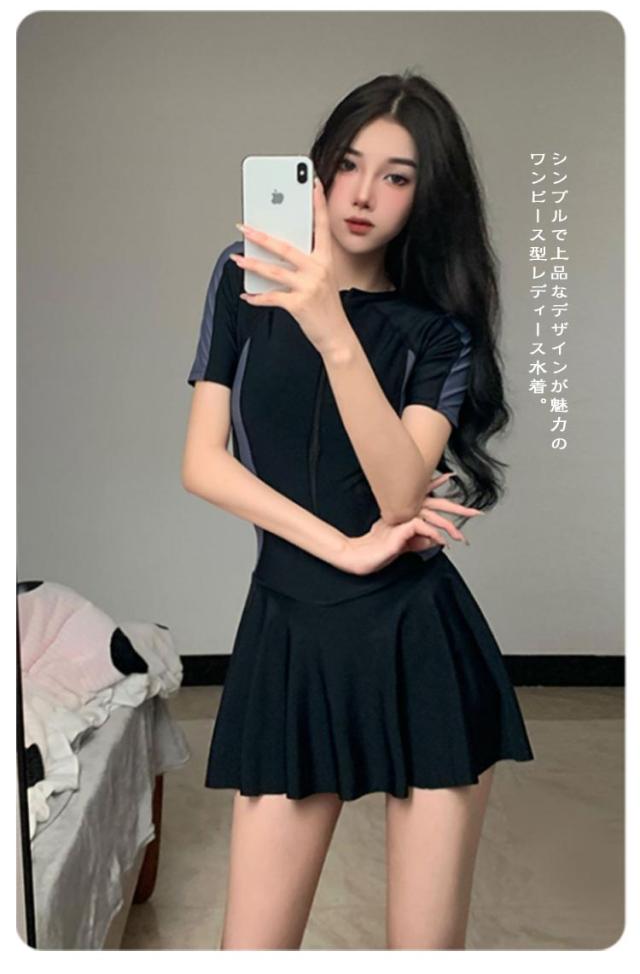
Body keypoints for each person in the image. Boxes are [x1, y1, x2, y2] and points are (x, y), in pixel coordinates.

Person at [182, 69, 534, 950]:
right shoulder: (243, 276)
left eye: (397, 175)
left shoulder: (437, 332)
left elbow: (400, 494)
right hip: (289, 634)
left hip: (417, 642)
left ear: (427, 195)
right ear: (319, 167)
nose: (363, 193)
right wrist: (339, 548)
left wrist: (332, 328)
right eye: (348, 163)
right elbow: (202, 464)